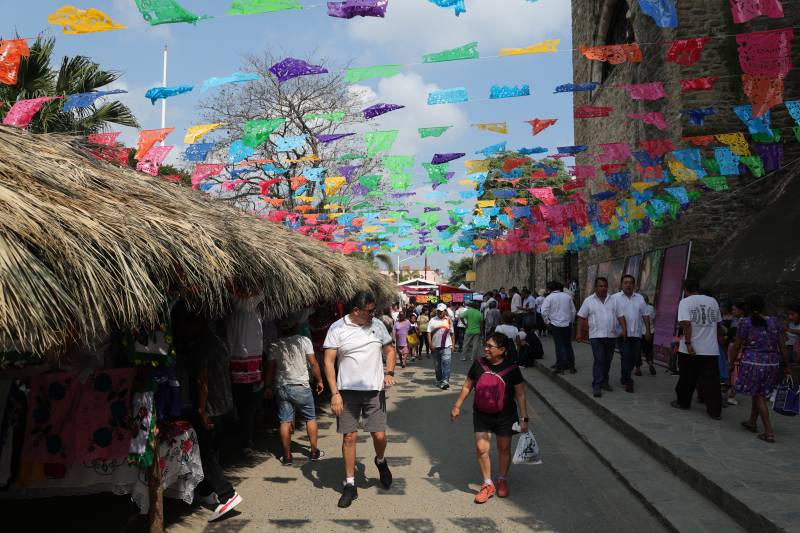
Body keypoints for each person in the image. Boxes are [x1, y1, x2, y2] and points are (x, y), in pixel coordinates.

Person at [323, 291, 397, 508]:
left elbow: (390, 351)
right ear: (356, 310)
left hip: (374, 390)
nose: (373, 314)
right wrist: (335, 393)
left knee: (379, 435)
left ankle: (380, 460)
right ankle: (350, 485)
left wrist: (390, 372)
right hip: (347, 393)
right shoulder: (337, 328)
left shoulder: (377, 325)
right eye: (369, 311)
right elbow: (328, 362)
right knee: (348, 438)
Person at [172, 299, 243, 522]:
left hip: (210, 406)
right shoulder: (218, 341)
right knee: (211, 450)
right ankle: (206, 493)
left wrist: (202, 410)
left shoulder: (200, 346)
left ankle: (226, 494)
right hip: (224, 403)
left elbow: (202, 379)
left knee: (205, 454)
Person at [450, 332, 528, 503]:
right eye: (485, 345)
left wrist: (524, 418)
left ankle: (502, 480)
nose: (485, 348)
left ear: (502, 349)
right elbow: (467, 386)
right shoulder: (478, 364)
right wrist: (457, 406)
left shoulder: (512, 369)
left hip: (505, 416)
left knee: (504, 449)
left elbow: (520, 394)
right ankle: (487, 484)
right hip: (481, 414)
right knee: (481, 448)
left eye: (489, 346)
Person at [733, 295, 792, 442]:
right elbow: (782, 346)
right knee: (760, 393)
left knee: (759, 395)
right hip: (772, 363)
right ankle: (752, 422)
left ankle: (769, 432)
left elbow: (736, 346)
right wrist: (787, 366)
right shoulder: (774, 322)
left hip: (753, 363)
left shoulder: (745, 323)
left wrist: (731, 362)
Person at [265, 321, 324, 465]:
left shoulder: (275, 344)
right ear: (295, 327)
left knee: (284, 421)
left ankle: (287, 456)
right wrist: (320, 381)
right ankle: (314, 451)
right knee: (310, 418)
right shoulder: (304, 341)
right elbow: (314, 363)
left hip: (282, 387)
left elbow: (270, 369)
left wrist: (267, 386)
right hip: (301, 386)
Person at [670, 279, 724, 419]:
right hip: (710, 349)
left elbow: (686, 324)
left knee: (687, 378)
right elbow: (718, 325)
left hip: (690, 349)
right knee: (711, 382)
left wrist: (688, 343)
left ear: (685, 290)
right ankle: (715, 411)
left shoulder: (685, 302)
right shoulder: (713, 301)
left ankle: (683, 402)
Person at [227, 291, 265, 455]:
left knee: (239, 402)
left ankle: (241, 438)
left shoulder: (234, 312)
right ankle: (246, 440)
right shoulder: (256, 311)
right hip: (253, 364)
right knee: (249, 405)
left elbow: (229, 337)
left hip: (237, 362)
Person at [576, 277, 619, 398]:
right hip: (596, 336)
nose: (603, 288)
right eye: (601, 286)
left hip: (611, 335)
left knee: (607, 361)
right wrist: (578, 333)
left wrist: (623, 329)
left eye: (605, 286)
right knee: (599, 359)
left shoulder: (613, 300)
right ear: (596, 287)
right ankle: (596, 385)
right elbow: (581, 317)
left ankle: (605, 382)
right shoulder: (589, 301)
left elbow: (620, 315)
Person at [612, 275, 652, 393]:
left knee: (634, 358)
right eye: (625, 283)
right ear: (621, 284)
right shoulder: (615, 298)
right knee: (626, 356)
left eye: (630, 283)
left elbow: (645, 315)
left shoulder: (640, 298)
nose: (628, 285)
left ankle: (625, 377)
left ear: (634, 285)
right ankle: (628, 381)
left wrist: (648, 331)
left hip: (636, 334)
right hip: (622, 334)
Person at [541, 281, 576, 374]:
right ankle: (571, 366)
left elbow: (543, 311)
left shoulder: (549, 298)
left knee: (559, 345)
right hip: (567, 324)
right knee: (568, 345)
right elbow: (573, 311)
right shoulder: (567, 297)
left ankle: (560, 366)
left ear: (550, 289)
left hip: (555, 324)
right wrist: (571, 321)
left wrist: (547, 322)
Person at [428, 303, 456, 390]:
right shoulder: (432, 320)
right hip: (435, 346)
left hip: (446, 346)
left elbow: (452, 333)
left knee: (446, 363)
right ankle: (440, 379)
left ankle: (445, 381)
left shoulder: (449, 320)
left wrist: (453, 345)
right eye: (438, 311)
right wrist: (430, 344)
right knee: (437, 366)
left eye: (441, 311)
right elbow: (428, 333)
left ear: (445, 311)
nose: (439, 313)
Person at [635, 295, 657, 377]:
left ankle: (638, 369)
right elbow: (654, 318)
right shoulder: (652, 308)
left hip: (640, 332)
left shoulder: (639, 308)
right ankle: (650, 364)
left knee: (637, 351)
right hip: (650, 332)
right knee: (649, 349)